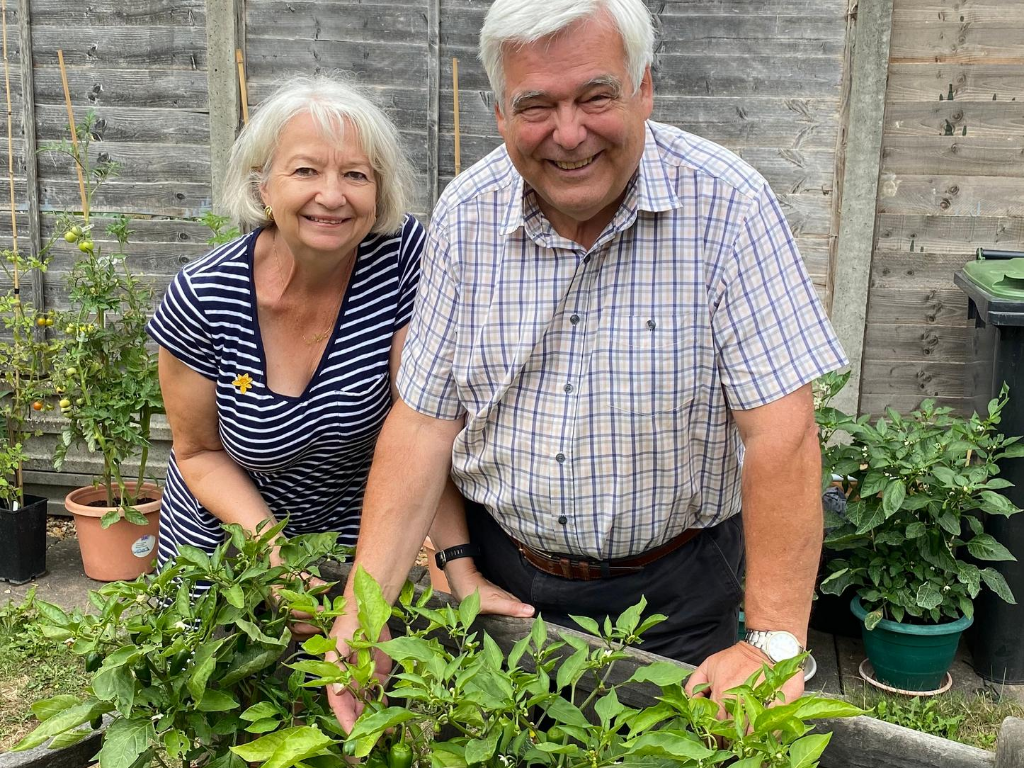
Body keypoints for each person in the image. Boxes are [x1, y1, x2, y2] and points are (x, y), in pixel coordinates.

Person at [328, 0, 848, 727]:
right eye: (535, 105)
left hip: (676, 587)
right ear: (500, 113)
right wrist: (364, 611)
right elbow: (421, 424)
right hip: (504, 576)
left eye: (595, 97)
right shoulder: (465, 215)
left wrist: (771, 642)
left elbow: (782, 433)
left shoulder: (729, 205)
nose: (568, 134)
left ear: (644, 90)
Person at [147, 76, 458, 603]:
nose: (332, 196)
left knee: (346, 679)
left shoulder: (403, 259)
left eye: (355, 174)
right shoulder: (203, 296)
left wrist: (455, 560)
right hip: (229, 549)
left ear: (378, 192)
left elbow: (423, 414)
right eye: (306, 170)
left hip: (355, 548)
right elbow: (198, 453)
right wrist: (278, 564)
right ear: (263, 187)